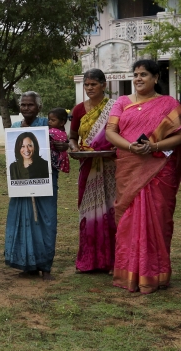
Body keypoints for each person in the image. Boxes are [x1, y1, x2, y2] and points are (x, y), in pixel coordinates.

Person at [105, 60, 181, 294]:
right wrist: (130, 147)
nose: (138, 79)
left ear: (156, 78)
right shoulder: (121, 102)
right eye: (135, 75)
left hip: (159, 170)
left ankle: (153, 274)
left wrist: (154, 145)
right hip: (129, 168)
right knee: (128, 221)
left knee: (157, 220)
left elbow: (180, 136)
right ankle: (129, 273)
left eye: (144, 74)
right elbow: (110, 132)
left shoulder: (169, 104)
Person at [4, 91, 69, 281]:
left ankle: (45, 265)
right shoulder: (15, 127)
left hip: (45, 181)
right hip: (21, 181)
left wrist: (62, 146)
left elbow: (62, 141)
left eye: (30, 105)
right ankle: (27, 264)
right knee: (23, 219)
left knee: (47, 220)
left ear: (39, 107)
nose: (26, 108)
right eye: (23, 105)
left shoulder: (47, 125)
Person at [68, 69, 117, 273]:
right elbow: (72, 136)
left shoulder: (114, 108)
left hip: (110, 166)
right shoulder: (79, 109)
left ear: (103, 86)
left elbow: (119, 133)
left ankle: (111, 261)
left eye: (93, 85)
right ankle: (88, 261)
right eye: (86, 85)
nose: (89, 88)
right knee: (87, 211)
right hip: (87, 166)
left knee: (111, 210)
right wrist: (74, 148)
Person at [47, 107, 70, 174]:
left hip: (52, 159)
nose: (49, 122)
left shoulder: (52, 131)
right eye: (49, 120)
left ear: (62, 123)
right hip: (59, 159)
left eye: (53, 120)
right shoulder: (63, 132)